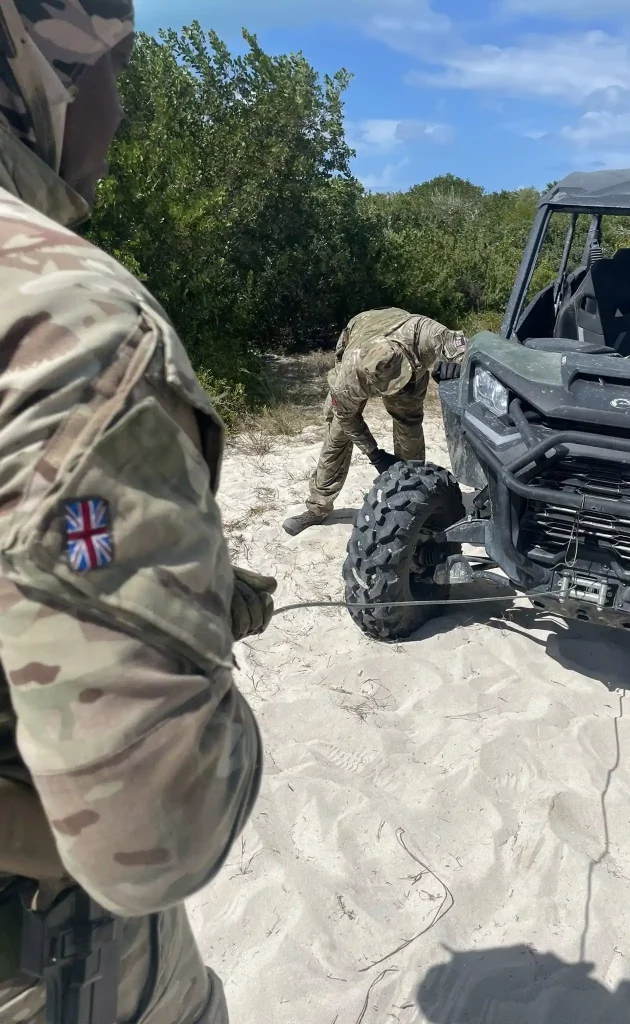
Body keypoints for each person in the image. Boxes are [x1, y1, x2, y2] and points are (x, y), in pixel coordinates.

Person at [0, 3, 276, 1021]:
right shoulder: (63, 320)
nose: (119, 104)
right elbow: (155, 826)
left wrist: (196, 588)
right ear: (38, 72)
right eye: (111, 65)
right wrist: (198, 658)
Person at [282, 307, 467, 536]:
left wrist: (457, 367)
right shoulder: (349, 376)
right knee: (337, 434)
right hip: (358, 336)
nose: (392, 392)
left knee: (408, 427)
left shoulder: (423, 331)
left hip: (413, 372)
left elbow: (467, 349)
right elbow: (346, 417)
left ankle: (414, 497)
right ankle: (318, 507)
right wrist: (375, 455)